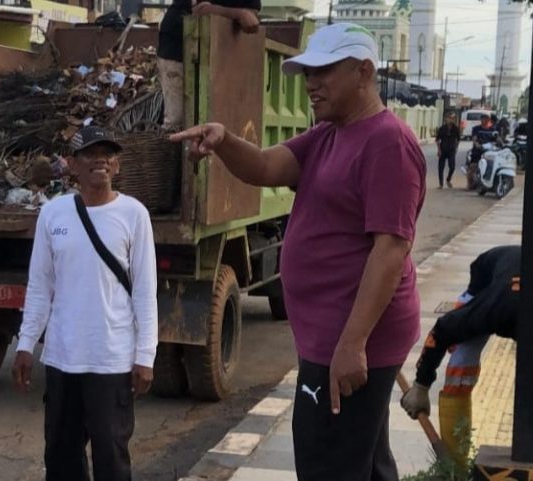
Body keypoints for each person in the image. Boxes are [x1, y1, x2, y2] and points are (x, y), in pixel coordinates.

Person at [171, 23, 425, 480]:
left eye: (324, 71)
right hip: (331, 334)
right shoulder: (330, 133)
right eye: (308, 73)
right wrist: (224, 140)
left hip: (348, 337)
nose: (311, 83)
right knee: (363, 462)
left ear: (364, 72)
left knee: (327, 463)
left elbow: (390, 250)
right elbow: (266, 166)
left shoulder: (388, 142)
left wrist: (352, 344)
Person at [11, 126, 158, 481]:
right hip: (62, 358)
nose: (100, 161)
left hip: (111, 358)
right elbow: (40, 285)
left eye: (107, 154)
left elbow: (145, 291)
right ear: (73, 164)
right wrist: (25, 344)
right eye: (90, 154)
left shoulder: (134, 214)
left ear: (117, 165)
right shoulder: (53, 214)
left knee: (111, 457)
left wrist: (145, 355)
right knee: (61, 456)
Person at [400, 245, 533, 465]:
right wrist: (421, 386)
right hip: (489, 278)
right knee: (461, 364)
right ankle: (454, 465)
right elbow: (442, 330)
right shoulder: (494, 309)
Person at [157, 0, 260, 131]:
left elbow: (252, 14)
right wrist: (239, 14)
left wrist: (245, 15)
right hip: (177, 49)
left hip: (212, 53)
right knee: (177, 120)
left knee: (211, 116)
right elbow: (200, 10)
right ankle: (169, 140)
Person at [436, 113, 461, 189]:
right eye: (449, 118)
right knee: (441, 167)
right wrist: (439, 150)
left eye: (452, 118)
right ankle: (441, 184)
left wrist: (456, 148)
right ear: (446, 119)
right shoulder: (442, 128)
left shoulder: (456, 128)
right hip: (443, 149)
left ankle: (448, 179)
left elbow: (458, 139)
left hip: (451, 150)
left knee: (452, 167)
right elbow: (437, 140)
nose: (451, 120)